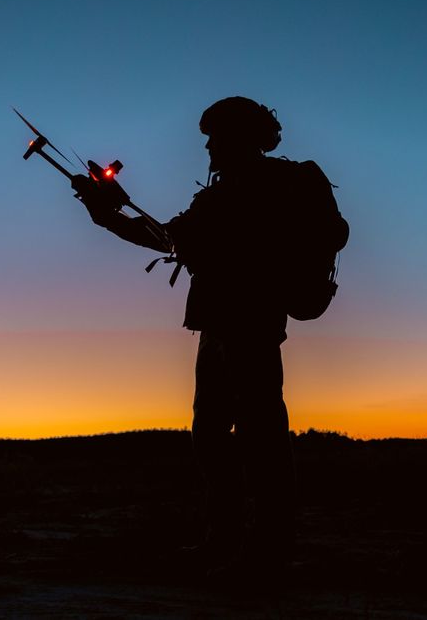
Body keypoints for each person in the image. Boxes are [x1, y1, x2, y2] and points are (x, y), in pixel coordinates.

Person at [72, 96, 347, 582]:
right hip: (218, 326)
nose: (207, 146)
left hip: (252, 326)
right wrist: (105, 213)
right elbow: (171, 237)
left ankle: (266, 553)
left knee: (260, 436)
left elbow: (180, 239)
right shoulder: (220, 195)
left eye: (214, 136)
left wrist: (111, 213)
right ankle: (225, 541)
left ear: (239, 138)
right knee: (212, 436)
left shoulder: (269, 187)